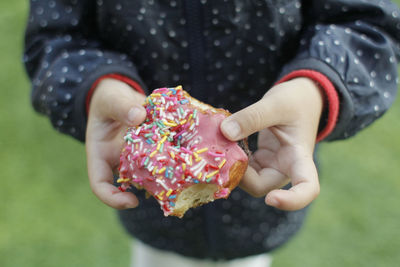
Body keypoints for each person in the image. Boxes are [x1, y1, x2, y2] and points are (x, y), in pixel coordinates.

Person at [24, 0, 400, 266]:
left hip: (264, 176)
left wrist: (317, 87)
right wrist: (94, 86)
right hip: (152, 199)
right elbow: (55, 37)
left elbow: (368, 24)